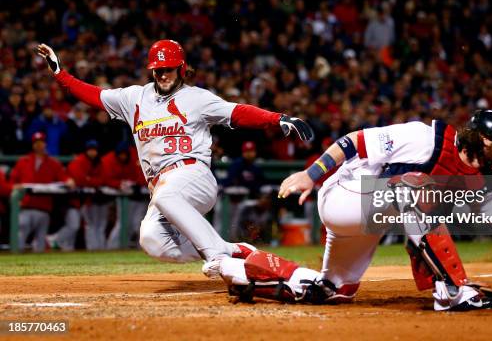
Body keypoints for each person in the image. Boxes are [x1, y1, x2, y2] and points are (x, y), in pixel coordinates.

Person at [216, 109, 492, 311]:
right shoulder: (426, 138)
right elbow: (352, 142)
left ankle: (243, 267)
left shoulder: (478, 180)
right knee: (415, 191)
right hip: (344, 194)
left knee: (334, 292)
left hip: (373, 216)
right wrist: (310, 175)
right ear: (487, 139)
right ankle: (453, 292)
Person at [35, 40, 313, 272]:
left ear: (181, 68)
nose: (162, 74)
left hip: (194, 176)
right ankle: (232, 250)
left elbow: (237, 112)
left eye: (168, 69)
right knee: (152, 240)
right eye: (157, 70)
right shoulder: (133, 97)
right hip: (163, 187)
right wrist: (61, 74)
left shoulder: (196, 98)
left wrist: (277, 119)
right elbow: (94, 95)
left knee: (166, 196)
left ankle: (218, 259)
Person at [10, 132, 74, 252]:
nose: (39, 145)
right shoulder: (23, 161)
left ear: (45, 144)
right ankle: (14, 260)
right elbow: (13, 181)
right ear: (33, 145)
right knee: (20, 234)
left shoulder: (53, 163)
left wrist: (69, 180)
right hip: (26, 206)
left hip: (44, 207)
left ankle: (38, 269)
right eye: (36, 143)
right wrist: (15, 188)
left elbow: (64, 178)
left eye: (41, 142)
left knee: (40, 240)